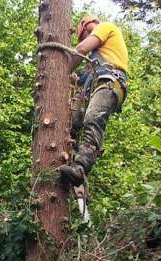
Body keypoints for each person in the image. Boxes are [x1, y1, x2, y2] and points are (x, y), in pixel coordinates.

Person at [58, 16, 129, 187]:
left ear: (87, 26)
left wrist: (60, 71)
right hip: (96, 84)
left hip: (110, 81)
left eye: (84, 36)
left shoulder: (106, 27)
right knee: (73, 122)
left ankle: (82, 166)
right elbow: (81, 78)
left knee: (93, 118)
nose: (86, 41)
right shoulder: (96, 60)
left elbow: (81, 49)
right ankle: (72, 161)